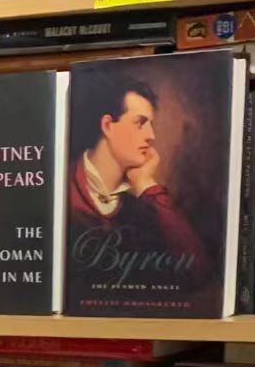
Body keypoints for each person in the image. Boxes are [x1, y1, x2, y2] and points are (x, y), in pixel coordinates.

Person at [69, 76, 212, 291]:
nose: (151, 136)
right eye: (140, 123)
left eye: (151, 125)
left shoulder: (144, 201)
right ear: (108, 126)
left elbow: (197, 270)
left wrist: (147, 185)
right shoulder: (64, 187)